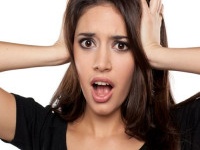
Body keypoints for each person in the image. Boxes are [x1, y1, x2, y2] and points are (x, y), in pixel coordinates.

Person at [0, 0, 199, 150]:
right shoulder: (41, 129)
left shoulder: (181, 131)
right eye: (87, 43)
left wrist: (155, 53)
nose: (101, 64)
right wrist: (57, 51)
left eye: (121, 45)